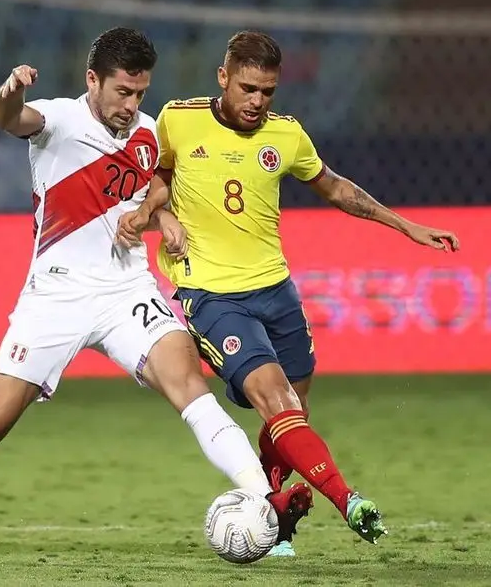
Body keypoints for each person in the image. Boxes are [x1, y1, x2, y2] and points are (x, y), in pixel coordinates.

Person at [0, 27, 312, 562]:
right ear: (93, 80)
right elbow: (8, 119)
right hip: (57, 296)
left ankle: (266, 504)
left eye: (140, 94)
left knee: (190, 386)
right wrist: (10, 90)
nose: (131, 106)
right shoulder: (57, 120)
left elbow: (150, 187)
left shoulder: (147, 134)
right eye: (122, 93)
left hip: (126, 290)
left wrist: (160, 216)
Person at [118, 30, 461, 556]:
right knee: (277, 401)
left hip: (277, 291)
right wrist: (156, 215)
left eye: (268, 92)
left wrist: (405, 225)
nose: (257, 101)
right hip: (211, 295)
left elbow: (336, 187)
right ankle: (349, 501)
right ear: (223, 78)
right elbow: (155, 179)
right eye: (248, 88)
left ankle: (272, 516)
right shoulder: (177, 119)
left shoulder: (286, 136)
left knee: (292, 412)